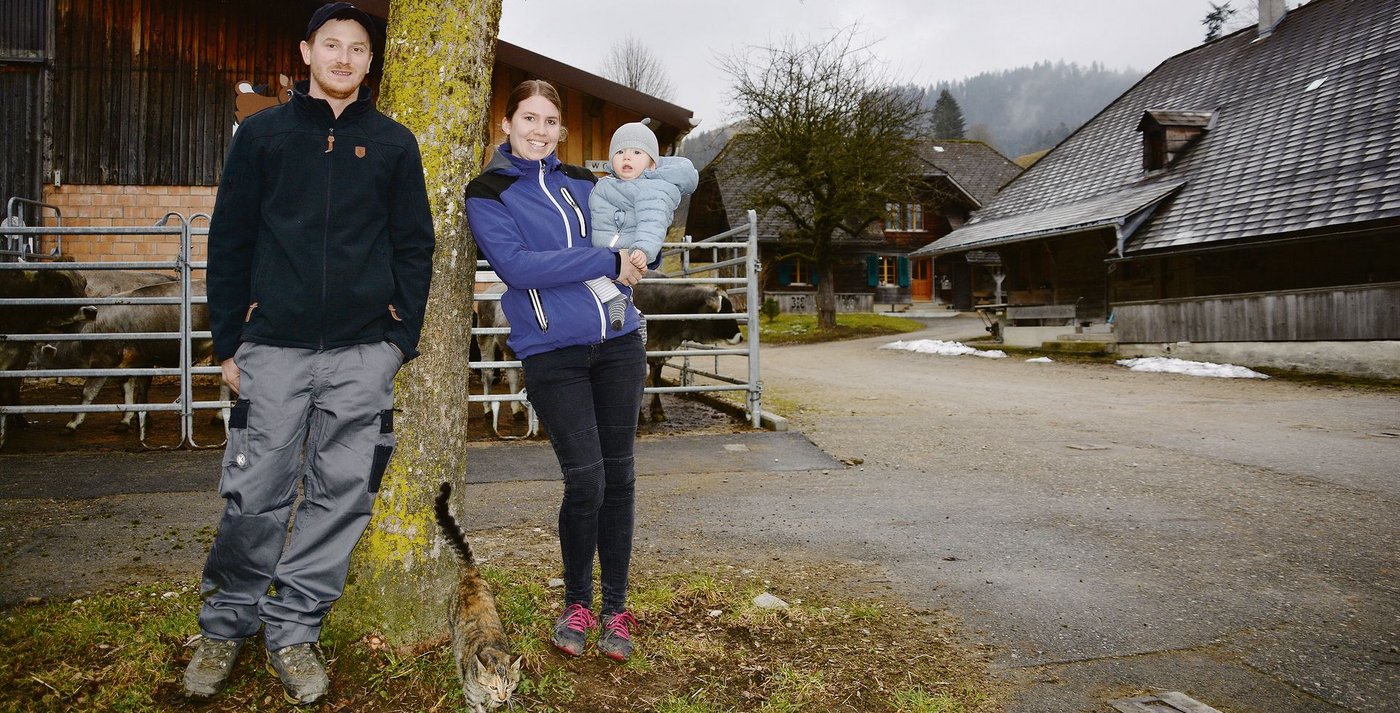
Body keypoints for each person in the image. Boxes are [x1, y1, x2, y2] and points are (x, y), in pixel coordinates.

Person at [182, 2, 434, 704]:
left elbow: (416, 247)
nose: (345, 57)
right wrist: (229, 344)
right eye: (332, 45)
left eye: (358, 48)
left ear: (370, 61)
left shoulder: (393, 144)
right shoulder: (262, 136)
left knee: (341, 499)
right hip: (273, 350)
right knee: (254, 495)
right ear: (306, 53)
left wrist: (396, 341)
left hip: (362, 355)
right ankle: (225, 625)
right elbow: (229, 241)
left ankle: (293, 628)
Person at [464, 80, 647, 662]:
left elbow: (634, 232)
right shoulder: (488, 191)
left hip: (618, 344)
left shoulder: (584, 184)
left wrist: (639, 253)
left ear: (560, 130)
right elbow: (519, 268)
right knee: (586, 479)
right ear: (507, 122)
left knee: (619, 478)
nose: (540, 131)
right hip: (553, 355)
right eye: (529, 119)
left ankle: (617, 607)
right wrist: (605, 260)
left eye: (550, 121)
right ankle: (578, 601)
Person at [585, 121, 698, 331]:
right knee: (588, 281)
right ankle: (634, 316)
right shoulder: (607, 184)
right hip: (605, 249)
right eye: (620, 152)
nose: (627, 157)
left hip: (627, 250)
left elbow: (652, 222)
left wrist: (642, 250)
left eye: (637, 152)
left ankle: (618, 303)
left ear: (652, 164)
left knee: (587, 275)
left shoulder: (652, 190)